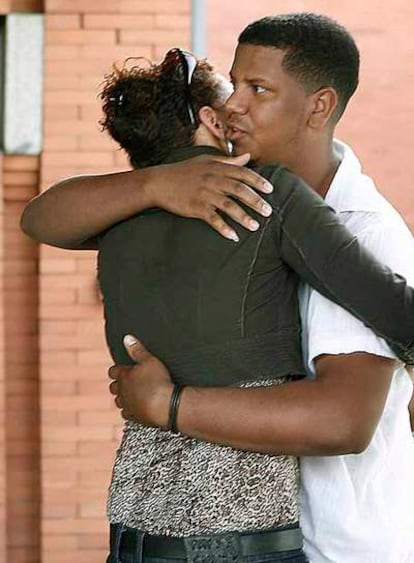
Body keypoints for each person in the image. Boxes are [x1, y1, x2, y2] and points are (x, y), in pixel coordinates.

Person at [21, 13, 414, 563]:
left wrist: (169, 404)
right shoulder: (200, 199)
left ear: (318, 107)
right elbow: (42, 217)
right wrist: (157, 183)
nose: (235, 106)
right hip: (243, 533)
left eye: (258, 90)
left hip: (335, 545)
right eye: (234, 85)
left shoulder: (360, 228)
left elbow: (344, 420)